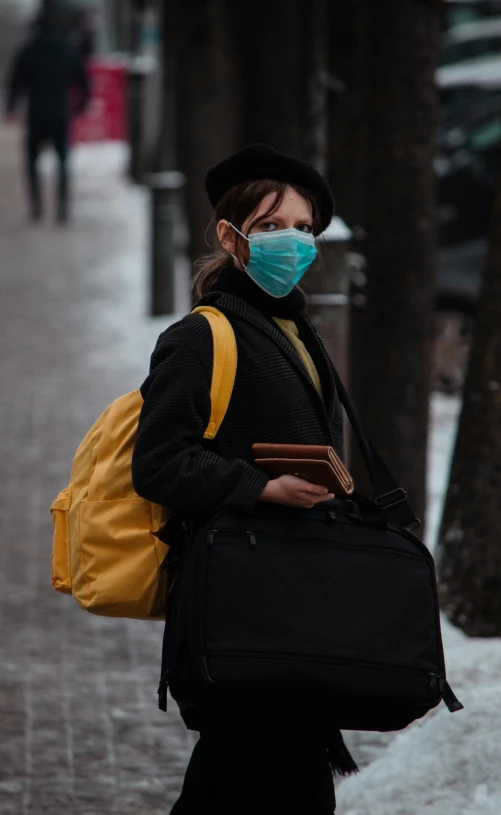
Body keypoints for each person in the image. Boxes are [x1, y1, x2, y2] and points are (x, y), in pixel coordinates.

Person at [132, 144, 357, 814]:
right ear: (231, 237)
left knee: (256, 780)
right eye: (270, 227)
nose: (291, 242)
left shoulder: (292, 326)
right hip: (239, 602)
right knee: (263, 778)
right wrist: (260, 487)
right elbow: (158, 463)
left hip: (285, 599)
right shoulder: (203, 336)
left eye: (302, 228)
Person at [5, 14, 90, 223]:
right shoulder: (66, 50)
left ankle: (36, 207)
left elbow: (16, 81)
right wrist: (82, 105)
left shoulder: (29, 51)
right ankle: (62, 208)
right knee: (63, 162)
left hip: (36, 114)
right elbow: (83, 80)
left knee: (32, 162)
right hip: (61, 113)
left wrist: (11, 107)